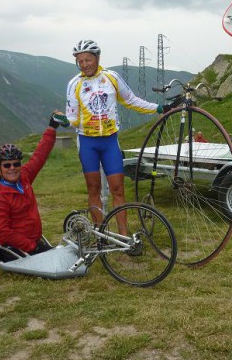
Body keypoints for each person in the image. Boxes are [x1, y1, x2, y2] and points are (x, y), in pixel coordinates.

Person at [66, 40, 173, 229]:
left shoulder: (111, 78)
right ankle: (100, 235)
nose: (84, 65)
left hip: (109, 142)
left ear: (97, 58)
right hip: (87, 142)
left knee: (118, 189)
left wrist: (158, 108)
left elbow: (131, 100)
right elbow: (72, 116)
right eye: (80, 61)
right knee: (93, 189)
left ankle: (124, 235)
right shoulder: (74, 83)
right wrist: (67, 120)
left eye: (88, 60)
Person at [0, 111, 68, 262]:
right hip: (14, 249)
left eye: (16, 164)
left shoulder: (24, 177)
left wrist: (52, 128)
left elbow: (39, 156)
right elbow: (4, 234)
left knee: (65, 257)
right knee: (57, 263)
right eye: (7, 165)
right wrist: (32, 246)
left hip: (33, 242)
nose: (12, 168)